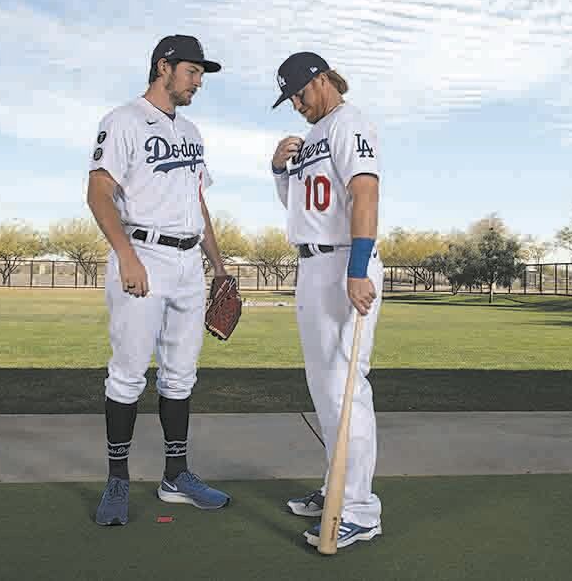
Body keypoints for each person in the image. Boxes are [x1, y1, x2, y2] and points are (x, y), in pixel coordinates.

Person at [87, 34, 233, 526]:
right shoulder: (123, 120)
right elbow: (98, 193)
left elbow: (199, 204)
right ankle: (118, 480)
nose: (198, 81)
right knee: (128, 374)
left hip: (189, 261)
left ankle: (176, 477)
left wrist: (220, 265)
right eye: (193, 71)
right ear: (163, 67)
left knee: (180, 375)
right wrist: (126, 256)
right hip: (143, 252)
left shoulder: (191, 131)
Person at [269, 52, 384, 549]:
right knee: (324, 387)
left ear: (320, 81)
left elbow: (365, 195)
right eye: (289, 98)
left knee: (345, 386)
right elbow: (302, 208)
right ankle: (336, 486)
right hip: (312, 263)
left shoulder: (348, 123)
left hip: (343, 262)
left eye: (298, 93)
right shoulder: (313, 135)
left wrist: (357, 270)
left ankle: (358, 509)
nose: (295, 104)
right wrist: (279, 171)